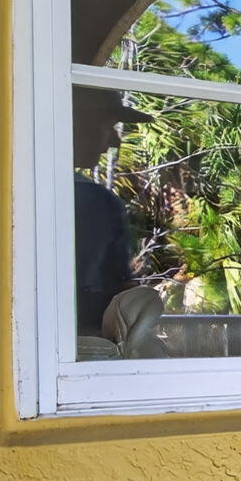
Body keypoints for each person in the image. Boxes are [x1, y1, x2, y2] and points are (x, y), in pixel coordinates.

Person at [73, 87, 152, 336]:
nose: (115, 141)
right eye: (108, 127)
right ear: (76, 124)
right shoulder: (95, 202)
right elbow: (118, 289)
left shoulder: (21, 188)